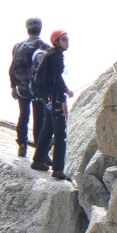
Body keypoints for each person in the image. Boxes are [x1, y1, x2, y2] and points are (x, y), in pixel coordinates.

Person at [31, 29, 73, 180]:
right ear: (57, 42)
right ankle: (58, 170)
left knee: (48, 128)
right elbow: (56, 79)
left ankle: (38, 160)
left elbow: (55, 78)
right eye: (63, 39)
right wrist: (63, 99)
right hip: (54, 97)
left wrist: (66, 90)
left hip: (46, 96)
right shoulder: (56, 57)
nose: (67, 41)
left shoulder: (51, 55)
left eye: (67, 38)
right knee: (61, 133)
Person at [9, 17, 50, 157]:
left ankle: (22, 144)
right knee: (39, 119)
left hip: (22, 88)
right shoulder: (45, 48)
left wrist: (13, 86)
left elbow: (12, 67)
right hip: (38, 90)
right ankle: (40, 151)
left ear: (27, 29)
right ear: (40, 29)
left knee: (24, 115)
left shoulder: (17, 46)